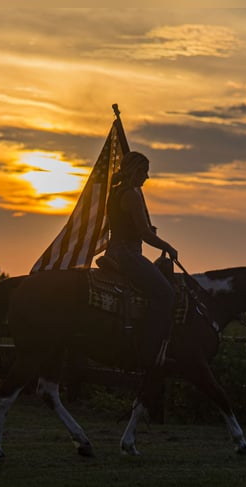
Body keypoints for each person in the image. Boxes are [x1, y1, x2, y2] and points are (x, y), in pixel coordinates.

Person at [104, 151, 177, 369]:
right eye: (144, 172)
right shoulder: (132, 195)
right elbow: (145, 234)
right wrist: (168, 247)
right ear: (134, 171)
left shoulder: (115, 193)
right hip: (128, 254)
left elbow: (128, 226)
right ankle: (150, 347)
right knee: (166, 293)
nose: (147, 177)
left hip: (113, 251)